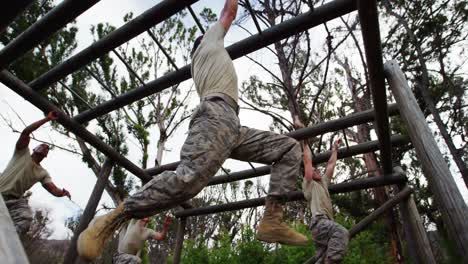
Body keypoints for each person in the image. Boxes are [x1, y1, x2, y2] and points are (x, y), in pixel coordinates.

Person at [78, 0, 307, 260]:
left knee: (288, 148)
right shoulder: (208, 42)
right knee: (188, 181)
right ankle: (114, 217)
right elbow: (229, 12)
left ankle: (272, 220)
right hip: (217, 116)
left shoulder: (203, 63)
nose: (218, 33)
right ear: (202, 42)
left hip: (232, 124)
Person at [0, 111, 71, 235]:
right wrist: (47, 119)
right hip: (1, 191)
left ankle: (6, 239)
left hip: (14, 200)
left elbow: (53, 189)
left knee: (25, 220)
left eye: (47, 148)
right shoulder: (22, 153)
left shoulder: (42, 173)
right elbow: (26, 132)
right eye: (42, 145)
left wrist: (62, 193)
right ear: (34, 148)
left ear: (46, 155)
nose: (45, 147)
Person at [302, 139, 349, 263]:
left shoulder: (323, 183)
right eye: (314, 170)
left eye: (317, 170)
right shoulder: (309, 184)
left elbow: (331, 165)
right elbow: (307, 161)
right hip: (319, 222)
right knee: (341, 232)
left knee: (321, 259)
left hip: (324, 226)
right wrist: (305, 142)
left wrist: (335, 149)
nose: (317, 170)